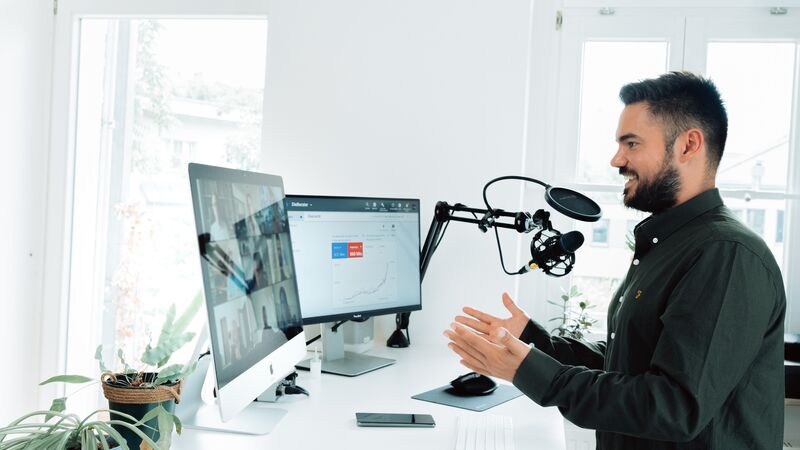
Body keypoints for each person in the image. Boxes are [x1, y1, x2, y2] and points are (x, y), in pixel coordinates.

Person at [444, 72, 786, 449]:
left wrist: (533, 372)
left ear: (688, 146)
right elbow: (627, 360)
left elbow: (674, 407)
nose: (616, 159)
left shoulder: (726, 255)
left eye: (632, 144)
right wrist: (531, 339)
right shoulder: (670, 244)